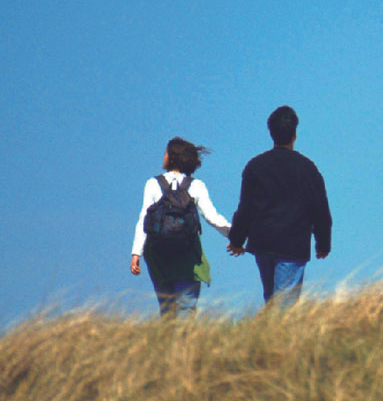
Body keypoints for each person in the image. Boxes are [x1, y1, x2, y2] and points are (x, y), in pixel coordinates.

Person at [227, 106, 332, 307]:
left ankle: (269, 328)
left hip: (263, 242)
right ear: (295, 135)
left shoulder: (255, 166)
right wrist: (323, 244)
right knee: (285, 306)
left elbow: (246, 208)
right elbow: (320, 210)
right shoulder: (308, 168)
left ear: (271, 133)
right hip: (293, 244)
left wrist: (237, 240)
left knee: (271, 299)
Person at [131, 137, 231, 317]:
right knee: (186, 308)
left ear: (172, 158)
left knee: (167, 309)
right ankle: (185, 336)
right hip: (187, 255)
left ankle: (168, 335)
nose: (163, 157)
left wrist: (136, 252)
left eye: (165, 154)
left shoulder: (153, 183)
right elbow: (212, 217)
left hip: (158, 254)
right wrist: (235, 236)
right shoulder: (196, 186)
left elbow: (143, 220)